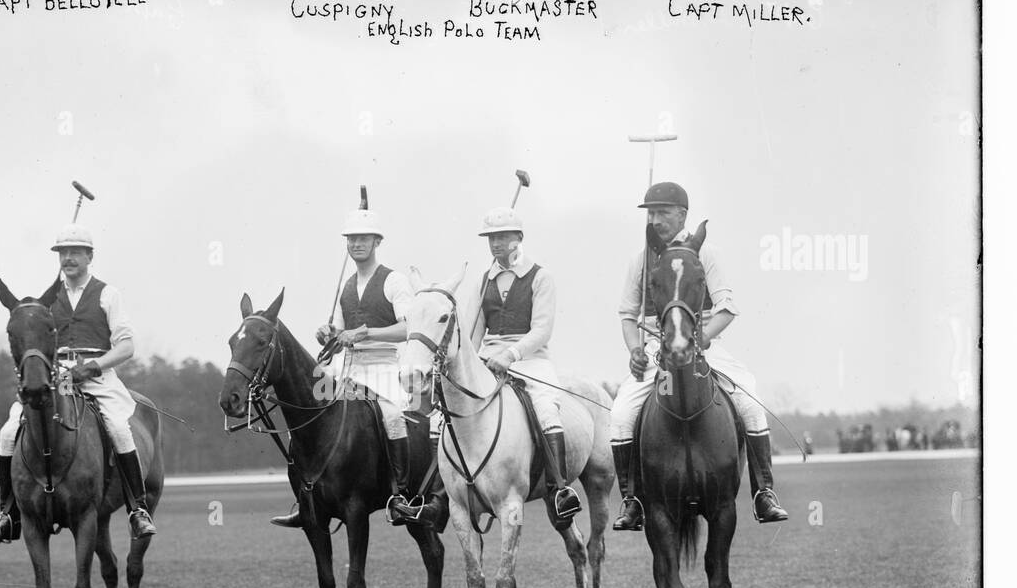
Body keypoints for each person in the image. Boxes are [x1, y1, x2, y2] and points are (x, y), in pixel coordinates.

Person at [610, 181, 787, 530]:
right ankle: (632, 500)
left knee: (750, 401)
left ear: (682, 215)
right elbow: (628, 315)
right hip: (654, 346)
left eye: (663, 212)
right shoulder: (640, 259)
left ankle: (763, 493)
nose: (656, 219)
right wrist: (634, 349)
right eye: (651, 213)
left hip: (702, 342)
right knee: (620, 413)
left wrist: (702, 337)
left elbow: (727, 306)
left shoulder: (706, 254)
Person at [397, 205, 581, 526]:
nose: (496, 244)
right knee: (441, 418)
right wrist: (463, 363)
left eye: (503, 237)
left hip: (531, 360)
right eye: (491, 238)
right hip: (488, 359)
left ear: (518, 238)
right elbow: (471, 334)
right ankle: (438, 499)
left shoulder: (540, 277)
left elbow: (542, 330)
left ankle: (558, 490)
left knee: (547, 408)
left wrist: (511, 355)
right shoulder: (484, 282)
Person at [0, 223, 157, 543]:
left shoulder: (107, 294)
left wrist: (93, 366)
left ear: (90, 256)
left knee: (118, 427)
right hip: (55, 378)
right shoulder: (48, 300)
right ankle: (8, 515)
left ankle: (137, 509)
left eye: (76, 252)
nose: (69, 258)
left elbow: (127, 347)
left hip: (99, 377)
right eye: (63, 252)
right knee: (8, 431)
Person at [270, 201, 417, 527]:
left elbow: (409, 328)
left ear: (377, 241)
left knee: (392, 416)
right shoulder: (346, 287)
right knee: (310, 418)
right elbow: (339, 334)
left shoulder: (394, 281)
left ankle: (401, 494)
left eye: (364, 238)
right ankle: (305, 497)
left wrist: (364, 332)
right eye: (351, 238)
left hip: (383, 368)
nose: (356, 243)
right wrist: (328, 334)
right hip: (348, 369)